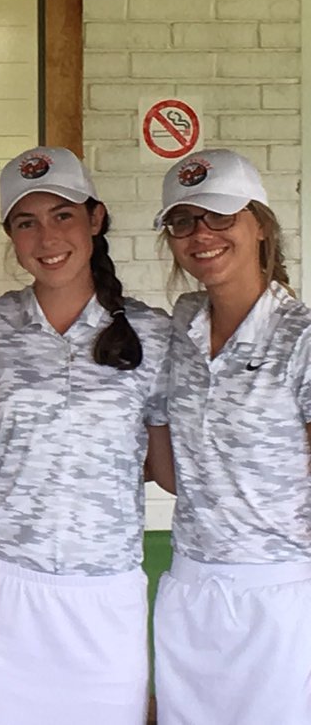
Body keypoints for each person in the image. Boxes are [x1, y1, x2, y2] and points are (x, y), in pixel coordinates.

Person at [0, 146, 170, 725]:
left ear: (95, 218)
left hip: (104, 591)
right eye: (26, 222)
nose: (47, 237)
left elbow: (164, 464)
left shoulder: (154, 332)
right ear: (10, 235)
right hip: (0, 586)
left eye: (62, 215)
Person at [149, 149, 311, 725]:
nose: (202, 234)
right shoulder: (182, 324)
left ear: (261, 225)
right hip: (190, 584)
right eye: (183, 221)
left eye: (220, 215)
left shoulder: (301, 336)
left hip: (279, 593)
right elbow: (172, 467)